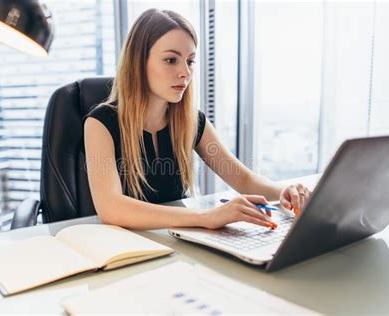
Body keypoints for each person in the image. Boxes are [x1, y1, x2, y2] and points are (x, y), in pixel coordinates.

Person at [84, 8, 310, 231]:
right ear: (138, 62)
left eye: (190, 61)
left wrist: (283, 192)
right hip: (127, 250)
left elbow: (243, 179)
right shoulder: (100, 123)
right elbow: (110, 208)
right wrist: (205, 217)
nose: (185, 72)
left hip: (177, 243)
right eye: (171, 60)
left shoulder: (191, 121)